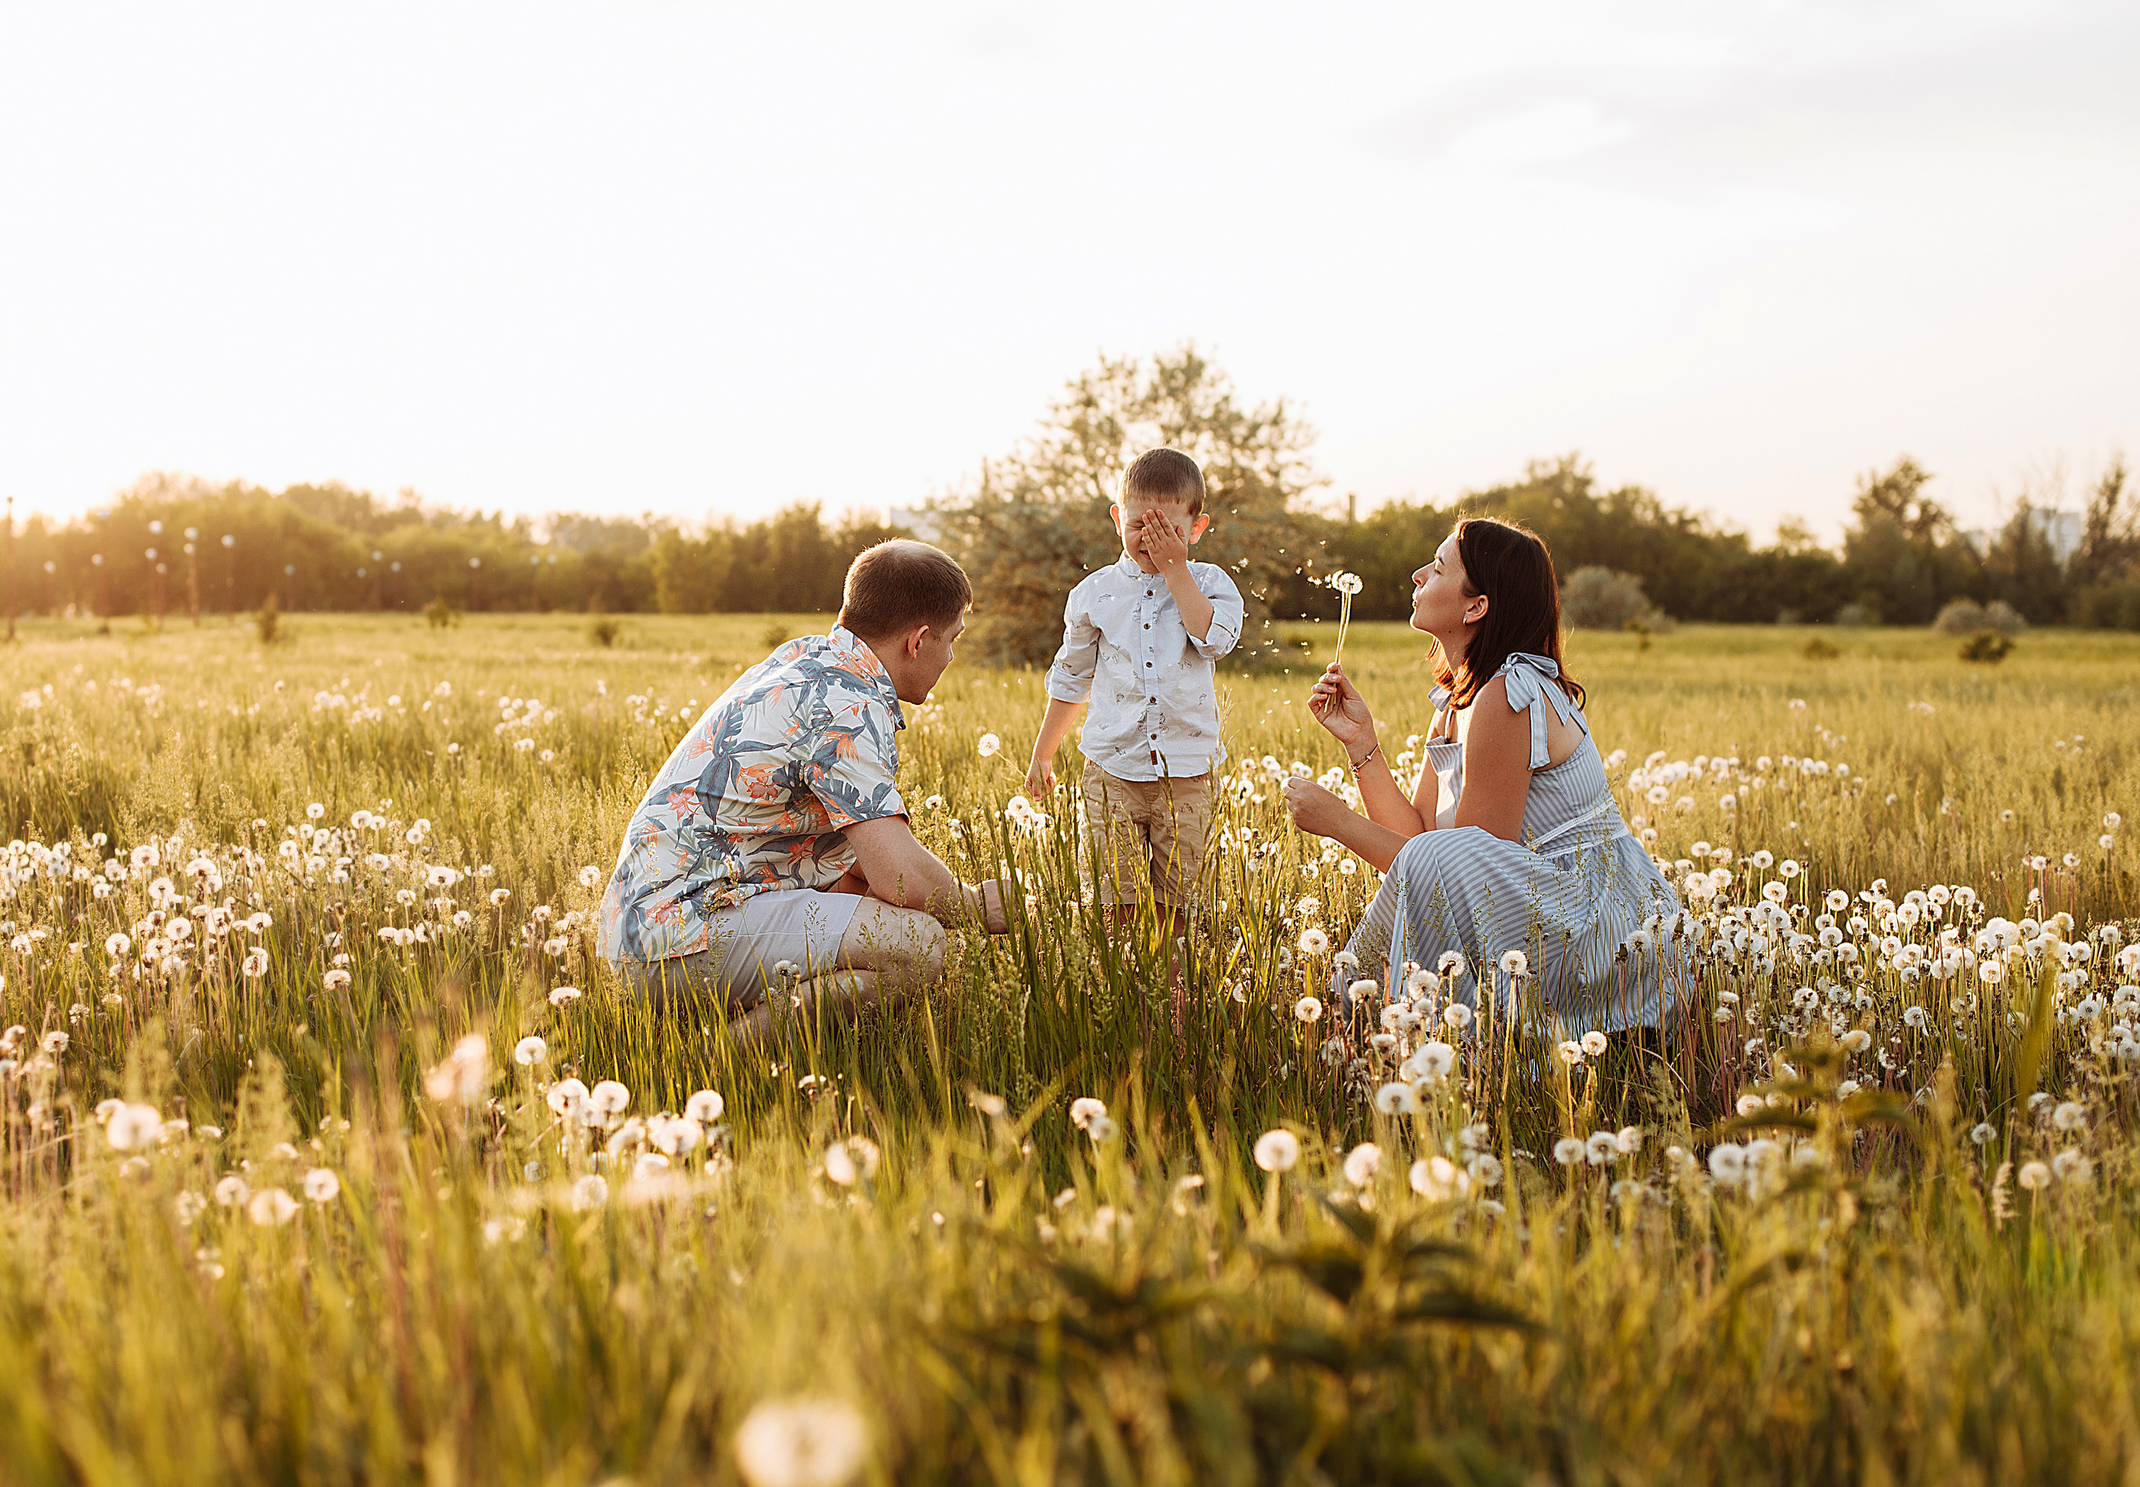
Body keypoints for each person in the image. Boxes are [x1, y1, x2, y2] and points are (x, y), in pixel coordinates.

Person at [1281, 518, 1690, 1036]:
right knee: (1435, 857)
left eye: (1437, 566)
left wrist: (1338, 822)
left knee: (1442, 861)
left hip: (1600, 925)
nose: (1416, 575)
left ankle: (1415, 1042)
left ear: (1477, 607)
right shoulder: (1460, 700)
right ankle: (1393, 1033)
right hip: (1545, 908)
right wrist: (1361, 743)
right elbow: (1419, 842)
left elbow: (1461, 870)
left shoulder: (1507, 694)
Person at [597, 539, 1010, 1046]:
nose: (950, 657)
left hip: (650, 927)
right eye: (952, 640)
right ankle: (716, 1057)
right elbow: (900, 876)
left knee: (872, 901)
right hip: (680, 938)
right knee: (919, 945)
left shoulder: (808, 657)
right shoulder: (846, 705)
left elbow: (857, 867)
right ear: (918, 640)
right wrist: (976, 906)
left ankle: (715, 1037)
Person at [1025, 448, 1246, 1003]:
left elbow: (1213, 639)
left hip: (1187, 776)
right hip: (1111, 772)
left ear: (1196, 529)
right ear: (1115, 518)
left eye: (1169, 528)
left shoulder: (1211, 584)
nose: (1152, 538)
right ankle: (1123, 1000)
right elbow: (1070, 678)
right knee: (1116, 901)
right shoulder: (1094, 594)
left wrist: (1175, 572)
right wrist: (1044, 753)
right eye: (1138, 523)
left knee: (1177, 903)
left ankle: (1171, 1004)